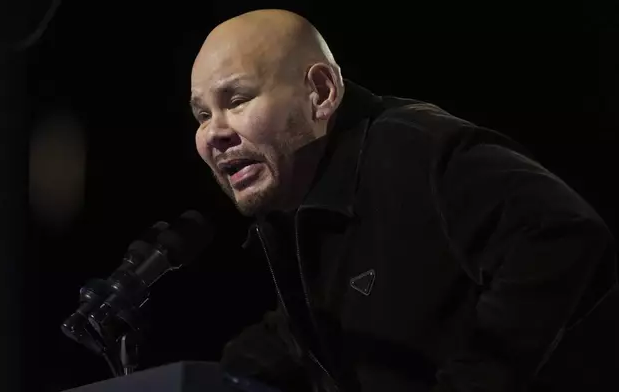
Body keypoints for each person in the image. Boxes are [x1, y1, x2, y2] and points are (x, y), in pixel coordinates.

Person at [190, 9, 618, 392]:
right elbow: (307, 331)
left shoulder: (414, 149)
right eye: (203, 115)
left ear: (320, 92)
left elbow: (561, 235)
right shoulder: (296, 212)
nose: (213, 133)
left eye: (237, 99)